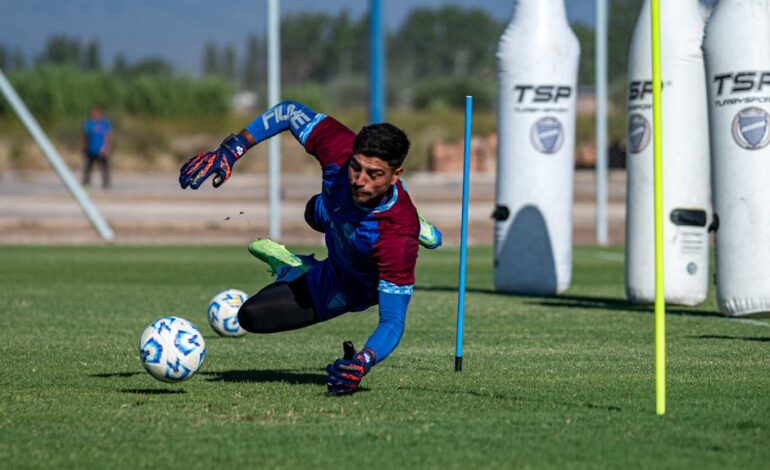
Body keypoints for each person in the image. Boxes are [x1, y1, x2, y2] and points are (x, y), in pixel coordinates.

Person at [178, 101, 442, 395]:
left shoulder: (397, 237)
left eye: (374, 174)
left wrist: (363, 361)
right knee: (311, 215)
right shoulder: (339, 149)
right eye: (356, 167)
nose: (360, 180)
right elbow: (289, 112)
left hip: (350, 284)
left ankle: (418, 223)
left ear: (396, 175)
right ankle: (298, 267)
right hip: (333, 217)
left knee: (253, 315)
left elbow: (393, 320)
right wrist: (232, 148)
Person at [81, 106, 112, 189]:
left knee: (104, 167)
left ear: (99, 113)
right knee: (88, 167)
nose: (93, 114)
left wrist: (107, 147)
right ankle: (86, 183)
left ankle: (106, 183)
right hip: (91, 149)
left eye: (95, 112)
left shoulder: (104, 123)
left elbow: (108, 136)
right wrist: (84, 147)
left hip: (101, 149)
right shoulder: (89, 123)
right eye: (92, 112)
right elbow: (85, 136)